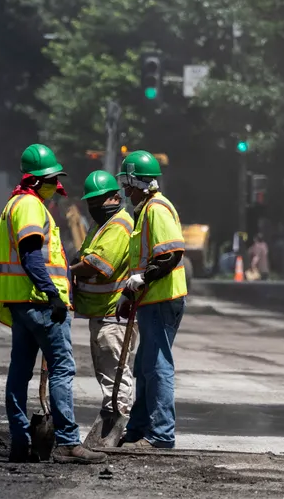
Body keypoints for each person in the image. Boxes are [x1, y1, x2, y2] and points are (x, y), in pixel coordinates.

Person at [0, 144, 106, 465]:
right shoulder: (30, 207)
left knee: (19, 372)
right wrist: (52, 294)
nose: (54, 185)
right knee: (62, 368)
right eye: (50, 179)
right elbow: (32, 255)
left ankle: (21, 444)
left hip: (23, 304)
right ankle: (66, 443)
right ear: (35, 181)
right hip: (41, 304)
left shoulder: (15, 204)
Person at [117, 150, 187, 450]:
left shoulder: (156, 209)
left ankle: (161, 434)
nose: (125, 191)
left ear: (138, 182)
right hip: (150, 299)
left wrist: (143, 279)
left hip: (162, 299)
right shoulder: (145, 210)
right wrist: (128, 293)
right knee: (145, 366)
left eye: (127, 183)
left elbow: (171, 254)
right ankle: (138, 429)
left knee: (157, 366)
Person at [69, 170, 136, 422]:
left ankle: (118, 422)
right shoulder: (101, 225)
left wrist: (70, 271)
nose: (95, 206)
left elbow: (100, 265)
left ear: (115, 198)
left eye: (100, 201)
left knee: (116, 374)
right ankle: (115, 420)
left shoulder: (119, 226)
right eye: (91, 202)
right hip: (102, 313)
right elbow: (84, 256)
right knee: (108, 373)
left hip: (114, 314)